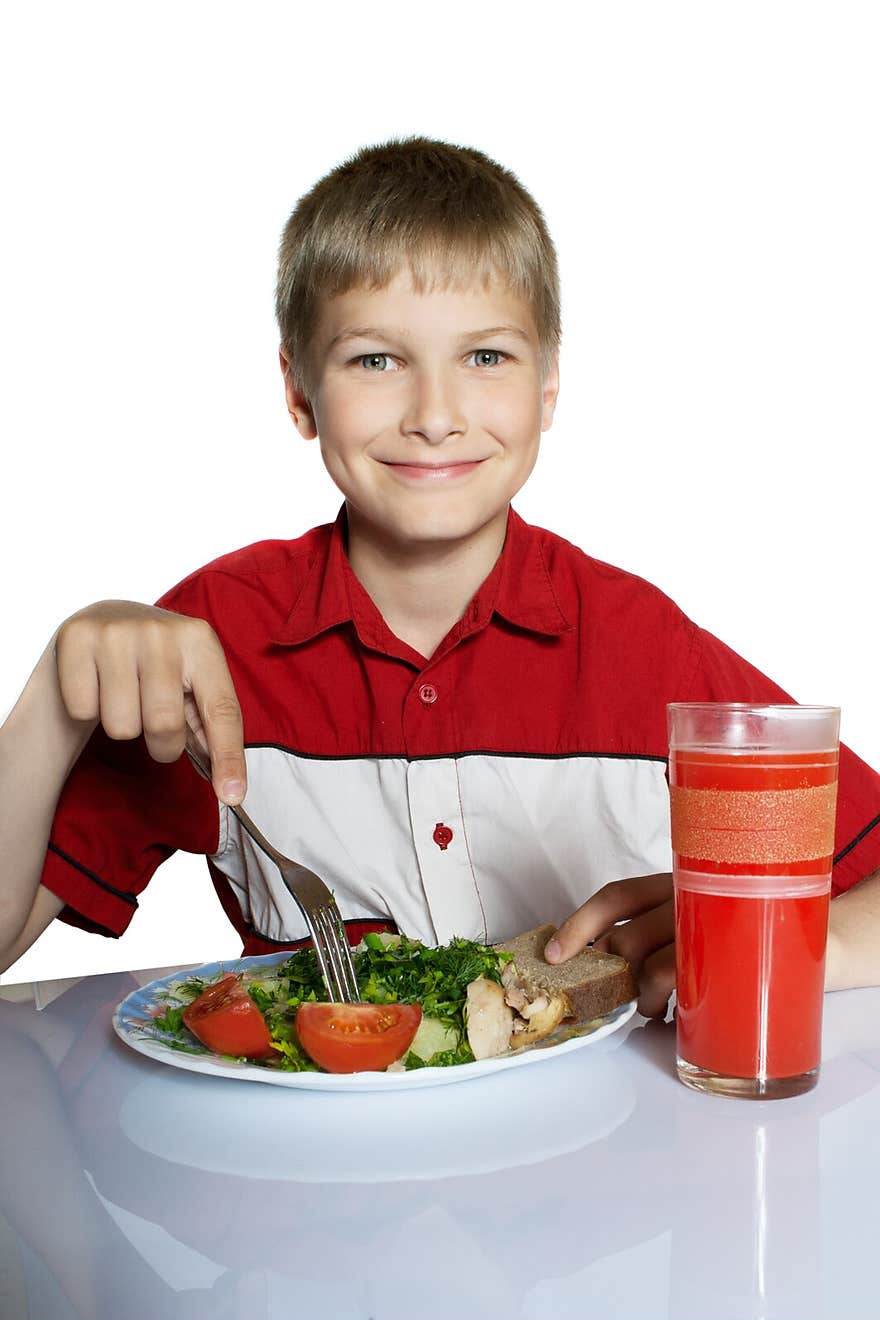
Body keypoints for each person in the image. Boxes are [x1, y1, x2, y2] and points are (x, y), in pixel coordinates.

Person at [1, 135, 878, 1017]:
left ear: (548, 387)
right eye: (375, 360)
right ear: (299, 390)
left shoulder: (641, 647)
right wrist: (54, 690)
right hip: (310, 1155)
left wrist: (802, 943)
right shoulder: (212, 642)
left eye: (486, 357)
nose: (434, 416)